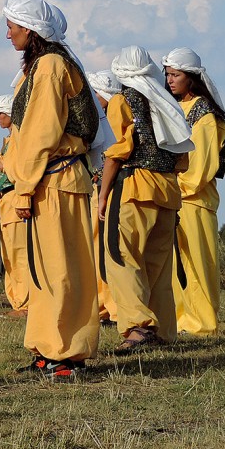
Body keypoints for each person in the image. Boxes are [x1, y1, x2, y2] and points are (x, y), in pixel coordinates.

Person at [1, 0, 103, 381]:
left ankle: (62, 354)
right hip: (57, 179)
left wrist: (24, 188)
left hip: (53, 181)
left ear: (29, 29)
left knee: (57, 270)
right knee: (48, 269)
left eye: (11, 27)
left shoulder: (49, 66)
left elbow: (40, 134)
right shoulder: (50, 64)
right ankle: (50, 349)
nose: (8, 34)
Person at [99, 46, 193, 353]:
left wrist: (102, 197)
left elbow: (117, 152)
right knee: (158, 265)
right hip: (167, 190)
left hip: (133, 186)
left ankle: (138, 327)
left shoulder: (121, 100)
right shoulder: (166, 102)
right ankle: (164, 332)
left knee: (121, 258)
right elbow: (182, 157)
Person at [163, 47, 225, 336]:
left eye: (175, 75)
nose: (170, 81)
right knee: (177, 263)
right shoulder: (176, 108)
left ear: (191, 77)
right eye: (167, 75)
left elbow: (201, 166)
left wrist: (177, 187)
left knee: (198, 263)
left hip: (194, 200)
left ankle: (202, 322)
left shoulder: (205, 115)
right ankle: (182, 318)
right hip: (174, 199)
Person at [0, 94, 28, 318]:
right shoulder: (9, 140)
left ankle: (25, 303)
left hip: (14, 198)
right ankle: (17, 300)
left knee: (19, 252)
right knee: (8, 253)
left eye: (1, 113)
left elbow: (6, 166)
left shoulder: (19, 139)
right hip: (5, 199)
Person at [87, 69, 122, 327]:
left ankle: (113, 306)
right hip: (97, 186)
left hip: (108, 188)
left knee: (108, 248)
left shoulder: (116, 116)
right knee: (96, 247)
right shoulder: (103, 119)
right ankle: (101, 304)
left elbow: (114, 156)